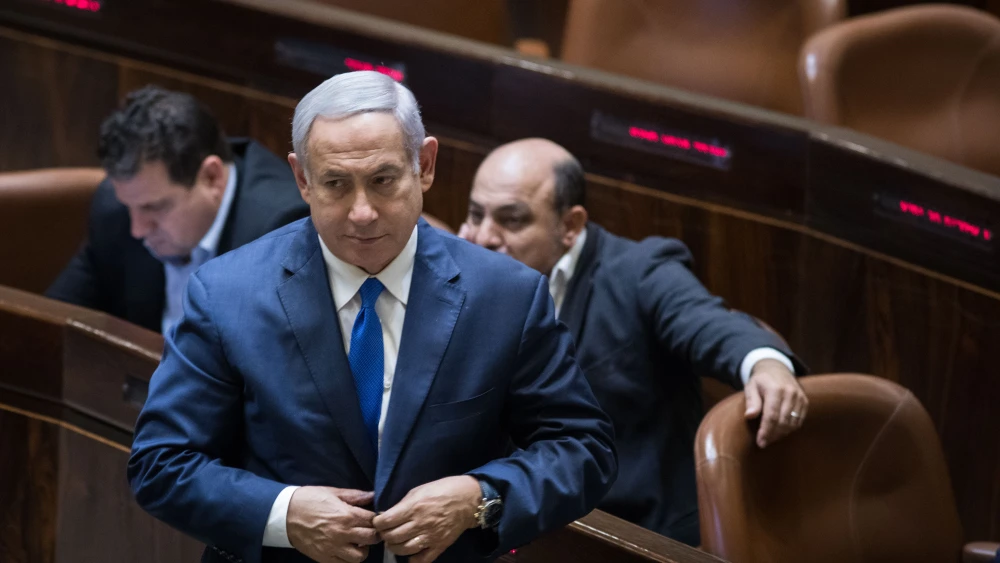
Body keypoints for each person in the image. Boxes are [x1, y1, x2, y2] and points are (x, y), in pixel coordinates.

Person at [127, 73, 617, 563]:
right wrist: (283, 513)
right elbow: (162, 463)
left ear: (423, 165)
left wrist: (478, 498)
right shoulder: (227, 293)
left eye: (382, 181)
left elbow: (582, 449)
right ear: (302, 179)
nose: (361, 213)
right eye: (336, 184)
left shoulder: (505, 296)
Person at [458, 138, 808, 546]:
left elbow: (705, 321)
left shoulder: (639, 272)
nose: (484, 236)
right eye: (475, 214)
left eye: (512, 220)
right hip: (514, 521)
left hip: (632, 534)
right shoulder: (469, 272)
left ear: (570, 226)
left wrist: (763, 362)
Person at [46, 86, 309, 334]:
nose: (137, 229)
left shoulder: (283, 233)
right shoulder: (114, 209)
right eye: (130, 207)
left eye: (154, 207)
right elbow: (53, 327)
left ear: (211, 177)